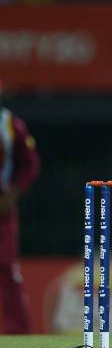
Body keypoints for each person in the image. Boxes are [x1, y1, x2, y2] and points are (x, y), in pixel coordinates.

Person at [0, 84, 40, 334]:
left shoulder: (10, 125)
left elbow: (30, 164)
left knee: (7, 270)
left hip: (2, 209)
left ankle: (20, 334)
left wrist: (13, 194)